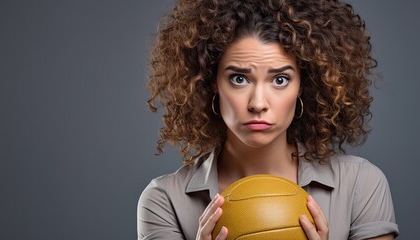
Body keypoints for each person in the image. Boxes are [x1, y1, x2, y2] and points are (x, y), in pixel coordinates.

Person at [137, 0, 399, 239]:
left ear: (303, 86)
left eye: (280, 80)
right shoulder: (164, 201)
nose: (258, 103)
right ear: (212, 82)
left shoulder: (360, 186)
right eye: (239, 79)